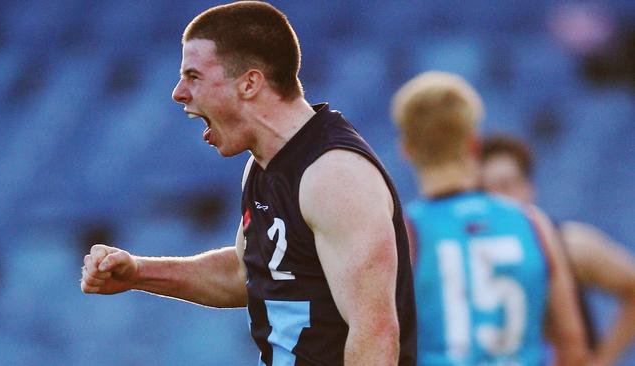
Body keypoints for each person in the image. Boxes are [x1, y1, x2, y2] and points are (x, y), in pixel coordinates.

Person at [80, 2, 417, 365]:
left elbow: (375, 335)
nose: (178, 92)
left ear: (250, 83)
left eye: (193, 76)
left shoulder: (333, 176)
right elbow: (245, 272)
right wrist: (139, 273)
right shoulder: (267, 164)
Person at [390, 71, 587, 365]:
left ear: (406, 150)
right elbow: (572, 343)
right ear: (473, 144)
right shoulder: (532, 223)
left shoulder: (405, 234)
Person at [481, 135, 635, 366]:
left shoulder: (571, 246)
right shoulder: (465, 259)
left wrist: (603, 360)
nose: (499, 200)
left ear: (528, 189)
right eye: (485, 191)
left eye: (506, 186)